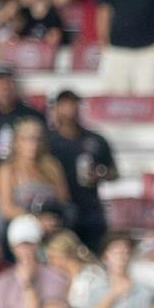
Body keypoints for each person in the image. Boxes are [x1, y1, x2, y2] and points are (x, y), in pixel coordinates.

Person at [45, 91, 114, 250]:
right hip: (59, 208)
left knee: (95, 252)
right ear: (56, 108)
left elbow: (113, 172)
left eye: (73, 103)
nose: (70, 109)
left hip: (90, 208)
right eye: (65, 104)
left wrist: (100, 173)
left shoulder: (95, 140)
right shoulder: (48, 142)